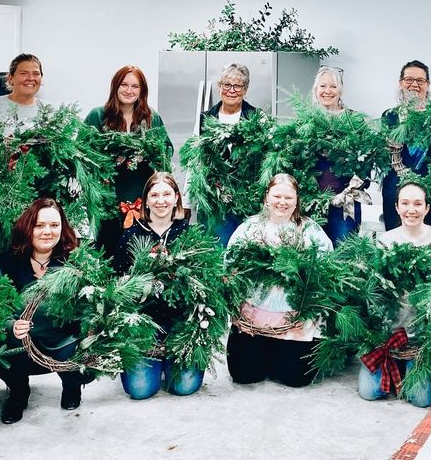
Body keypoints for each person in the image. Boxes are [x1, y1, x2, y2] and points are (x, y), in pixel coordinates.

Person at [226, 173, 333, 388]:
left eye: (288, 198)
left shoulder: (311, 232)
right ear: (266, 197)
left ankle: (280, 352)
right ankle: (263, 349)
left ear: (296, 201)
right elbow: (229, 269)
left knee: (295, 378)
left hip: (295, 324)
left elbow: (325, 276)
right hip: (252, 324)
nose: (282, 203)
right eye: (276, 196)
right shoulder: (249, 229)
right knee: (244, 375)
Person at [0, 198, 90, 424]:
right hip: (23, 343)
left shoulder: (76, 262)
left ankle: (72, 384)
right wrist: (11, 326)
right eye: (39, 225)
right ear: (29, 227)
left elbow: (91, 309)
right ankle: (18, 392)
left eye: (54, 225)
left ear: (63, 228)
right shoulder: (8, 262)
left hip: (62, 342)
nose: (47, 231)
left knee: (81, 345)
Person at [360, 182, 431, 407]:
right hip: (390, 333)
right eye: (405, 203)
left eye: (417, 204)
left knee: (421, 399)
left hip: (422, 336)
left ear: (427, 208)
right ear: (397, 207)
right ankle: (395, 369)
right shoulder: (386, 242)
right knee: (370, 392)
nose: (411, 209)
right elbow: (375, 294)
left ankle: (410, 370)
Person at [112, 172, 202, 399]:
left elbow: (202, 282)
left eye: (166, 194)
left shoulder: (188, 234)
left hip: (180, 323)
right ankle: (151, 360)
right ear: (146, 200)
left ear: (176, 198)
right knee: (140, 390)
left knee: (183, 387)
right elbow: (118, 281)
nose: (160, 201)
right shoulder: (131, 235)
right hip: (144, 324)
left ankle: (172, 359)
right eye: (154, 195)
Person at [85, 65, 174, 259]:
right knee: (107, 255)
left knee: (140, 255)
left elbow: (166, 152)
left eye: (135, 86)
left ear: (142, 91)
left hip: (143, 201)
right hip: (107, 202)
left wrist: (148, 154)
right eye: (124, 85)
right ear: (115, 87)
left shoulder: (151, 118)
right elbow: (82, 155)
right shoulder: (98, 116)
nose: (129, 90)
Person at [380, 60, 431, 238]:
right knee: (397, 245)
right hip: (398, 193)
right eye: (408, 79)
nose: (414, 84)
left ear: (428, 85)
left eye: (420, 81)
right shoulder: (390, 117)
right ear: (400, 83)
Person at [195, 63, 259, 246]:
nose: (231, 90)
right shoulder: (205, 119)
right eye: (227, 85)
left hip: (247, 202)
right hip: (213, 202)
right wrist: (188, 203)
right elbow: (195, 160)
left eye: (237, 86)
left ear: (245, 90)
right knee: (216, 252)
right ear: (219, 86)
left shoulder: (256, 118)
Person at [310, 65, 367, 245]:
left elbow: (367, 158)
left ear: (340, 90)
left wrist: (354, 186)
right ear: (316, 90)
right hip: (312, 202)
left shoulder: (354, 120)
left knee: (343, 253)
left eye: (333, 86)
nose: (328, 91)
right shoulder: (307, 120)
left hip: (345, 202)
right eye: (323, 86)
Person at [0, 54, 50, 134]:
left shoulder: (52, 112)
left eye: (36, 74)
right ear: (11, 78)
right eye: (23, 73)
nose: (30, 78)